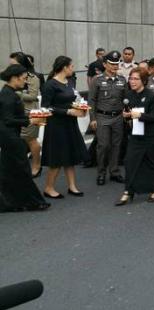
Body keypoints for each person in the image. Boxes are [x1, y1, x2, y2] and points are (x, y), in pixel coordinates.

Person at [0, 64, 49, 212]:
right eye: (23, 79)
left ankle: (10, 203)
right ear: (14, 78)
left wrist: (31, 117)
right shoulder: (9, 96)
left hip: (8, 136)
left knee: (7, 172)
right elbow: (8, 120)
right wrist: (30, 120)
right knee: (22, 170)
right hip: (10, 138)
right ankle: (33, 202)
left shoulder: (7, 93)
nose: (25, 82)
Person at [41, 56, 88, 199]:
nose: (73, 69)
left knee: (71, 156)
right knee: (57, 158)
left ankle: (72, 186)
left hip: (70, 123)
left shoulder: (70, 82)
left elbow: (74, 99)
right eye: (72, 66)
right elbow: (45, 107)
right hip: (56, 125)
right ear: (64, 67)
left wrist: (81, 107)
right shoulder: (50, 85)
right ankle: (48, 188)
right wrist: (67, 111)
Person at [115, 68, 154, 206]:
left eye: (136, 79)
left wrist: (140, 115)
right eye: (131, 78)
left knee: (153, 162)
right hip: (136, 135)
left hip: (152, 135)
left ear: (143, 80)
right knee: (130, 161)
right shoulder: (129, 95)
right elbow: (128, 114)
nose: (132, 81)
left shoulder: (152, 96)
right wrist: (127, 116)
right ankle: (128, 191)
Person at [88, 50, 127, 186]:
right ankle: (101, 173)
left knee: (117, 145)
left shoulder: (122, 80)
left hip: (118, 117)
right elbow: (91, 100)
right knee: (103, 146)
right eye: (112, 64)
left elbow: (125, 99)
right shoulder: (97, 80)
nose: (115, 66)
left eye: (117, 63)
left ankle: (114, 172)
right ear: (105, 64)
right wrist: (92, 118)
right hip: (102, 116)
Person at [9, 53, 42, 177]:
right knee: (19, 141)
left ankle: (36, 165)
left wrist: (17, 93)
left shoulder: (33, 78)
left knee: (31, 140)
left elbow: (33, 96)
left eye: (14, 64)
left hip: (29, 113)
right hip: (14, 113)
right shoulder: (11, 77)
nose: (11, 66)